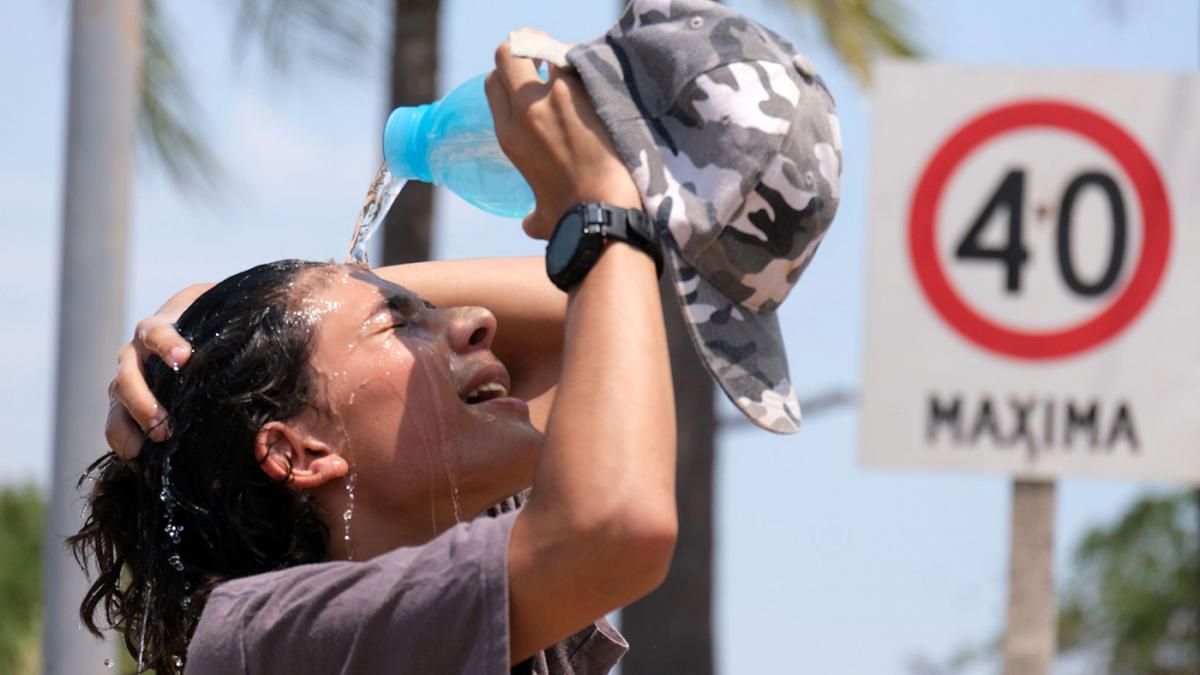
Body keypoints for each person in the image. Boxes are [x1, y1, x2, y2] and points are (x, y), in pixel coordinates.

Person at [75, 41, 675, 674]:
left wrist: (268, 299)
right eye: (399, 323)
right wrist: (602, 205)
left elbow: (601, 310)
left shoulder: (468, 559)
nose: (479, 321)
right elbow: (617, 521)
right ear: (297, 450)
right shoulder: (263, 639)